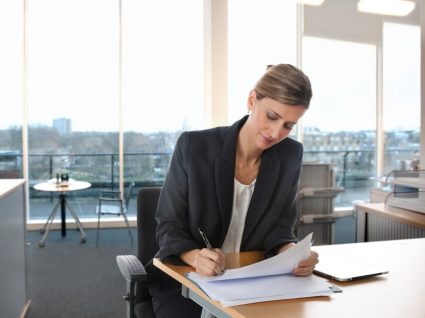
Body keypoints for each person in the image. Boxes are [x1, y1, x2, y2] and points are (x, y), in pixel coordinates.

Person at [146, 63, 319, 318]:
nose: (276, 132)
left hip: (253, 281)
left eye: (288, 125)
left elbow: (281, 227)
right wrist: (195, 257)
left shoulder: (290, 154)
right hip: (187, 278)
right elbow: (169, 226)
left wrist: (292, 253)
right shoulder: (194, 147)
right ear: (251, 100)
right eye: (272, 116)